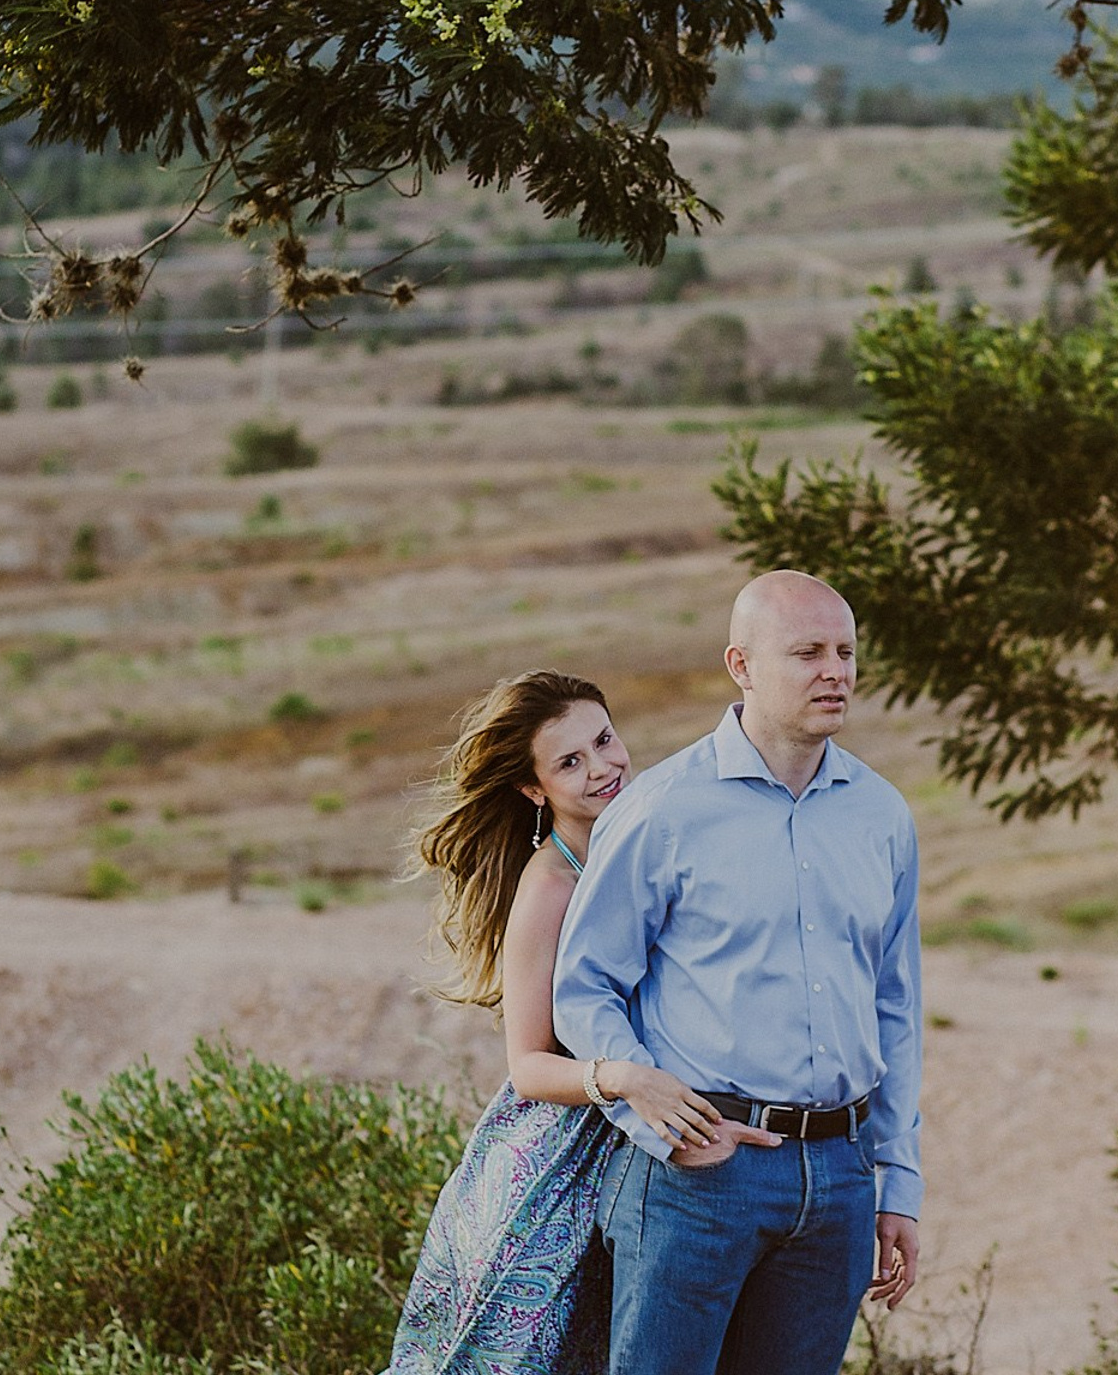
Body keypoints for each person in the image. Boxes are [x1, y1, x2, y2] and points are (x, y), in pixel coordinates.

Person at [553, 571, 923, 1375]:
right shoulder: (661, 810)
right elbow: (584, 987)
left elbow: (896, 1010)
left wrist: (899, 1182)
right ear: (742, 665)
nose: (837, 671)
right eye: (808, 653)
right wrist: (651, 1120)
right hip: (698, 1175)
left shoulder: (882, 815)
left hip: (840, 1174)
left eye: (846, 652)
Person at [387, 670, 731, 1375]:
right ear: (534, 790)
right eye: (570, 762)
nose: (603, 766)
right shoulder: (549, 888)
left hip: (653, 1126)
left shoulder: (649, 847)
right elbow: (528, 1065)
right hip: (562, 1154)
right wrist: (628, 1079)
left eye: (604, 740)